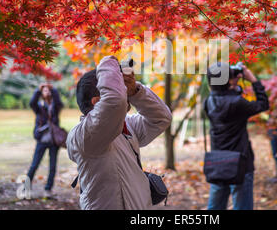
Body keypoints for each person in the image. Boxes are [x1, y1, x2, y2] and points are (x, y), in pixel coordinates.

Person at [67, 56, 172, 210]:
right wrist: (108, 62)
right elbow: (115, 102)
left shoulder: (127, 125)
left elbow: (162, 118)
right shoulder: (83, 136)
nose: (123, 92)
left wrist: (136, 92)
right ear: (97, 102)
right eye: (118, 86)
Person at [204, 62, 269, 210]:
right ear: (228, 81)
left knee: (215, 206)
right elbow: (263, 104)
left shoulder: (208, 102)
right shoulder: (237, 103)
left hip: (218, 163)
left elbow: (224, 95)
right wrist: (253, 79)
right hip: (241, 162)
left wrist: (231, 83)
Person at [27, 83, 64, 197]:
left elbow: (59, 102)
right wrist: (38, 90)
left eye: (48, 90)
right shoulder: (39, 106)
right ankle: (26, 188)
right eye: (45, 90)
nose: (47, 92)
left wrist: (54, 89)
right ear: (42, 93)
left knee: (52, 166)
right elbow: (31, 103)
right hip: (42, 139)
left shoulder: (56, 106)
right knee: (35, 164)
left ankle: (48, 189)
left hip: (54, 140)